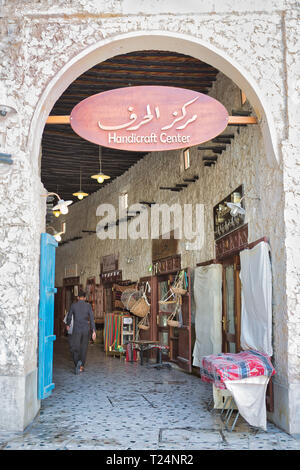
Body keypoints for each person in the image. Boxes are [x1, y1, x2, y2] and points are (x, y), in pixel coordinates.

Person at [66, 289, 96, 374]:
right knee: (84, 347)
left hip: (77, 329)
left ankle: (77, 364)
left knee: (75, 347)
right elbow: (92, 319)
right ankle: (82, 366)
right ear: (85, 298)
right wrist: (93, 330)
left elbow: (69, 316)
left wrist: (68, 325)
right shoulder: (88, 306)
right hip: (86, 329)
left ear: (78, 297)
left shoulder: (73, 305)